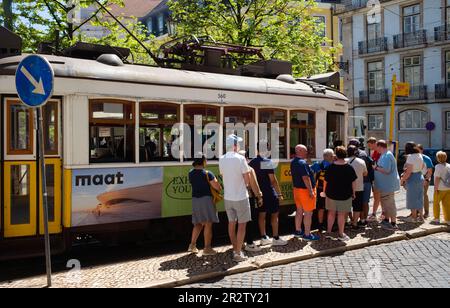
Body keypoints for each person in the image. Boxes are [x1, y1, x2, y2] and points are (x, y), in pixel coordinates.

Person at [219, 134, 252, 262]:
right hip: (241, 196)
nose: (239, 146)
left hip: (228, 197)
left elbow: (223, 174)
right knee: (242, 225)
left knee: (231, 224)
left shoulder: (222, 158)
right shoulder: (241, 159)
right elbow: (247, 180)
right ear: (234, 146)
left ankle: (235, 248)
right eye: (238, 144)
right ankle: (238, 253)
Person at [249, 143, 288, 247]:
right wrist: (279, 194)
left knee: (262, 215)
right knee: (274, 215)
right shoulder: (267, 162)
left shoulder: (251, 162)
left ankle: (263, 237)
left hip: (258, 193)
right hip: (269, 192)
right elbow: (273, 180)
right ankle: (275, 237)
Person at [188, 155, 221, 256]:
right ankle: (207, 248)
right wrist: (218, 185)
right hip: (206, 200)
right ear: (203, 161)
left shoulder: (190, 173)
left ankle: (192, 245)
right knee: (208, 223)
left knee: (198, 223)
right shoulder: (208, 173)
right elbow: (217, 187)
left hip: (195, 200)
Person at [323, 146, 357, 242]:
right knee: (341, 215)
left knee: (331, 213)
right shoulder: (349, 167)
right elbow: (353, 182)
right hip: (345, 194)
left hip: (331, 194)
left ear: (336, 155)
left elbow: (326, 181)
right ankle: (341, 234)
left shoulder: (330, 167)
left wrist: (325, 192)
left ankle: (328, 232)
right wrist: (354, 193)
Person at [291, 144, 319, 241]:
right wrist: (311, 191)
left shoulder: (294, 161)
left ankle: (298, 231)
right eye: (305, 151)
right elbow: (305, 178)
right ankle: (307, 234)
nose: (306, 152)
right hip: (305, 191)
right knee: (308, 213)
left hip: (297, 190)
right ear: (299, 151)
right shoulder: (302, 163)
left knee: (299, 211)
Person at [238, 150, 264, 253]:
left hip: (235, 198)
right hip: (247, 197)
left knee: (238, 222)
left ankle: (239, 244)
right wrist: (259, 196)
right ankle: (249, 243)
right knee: (249, 221)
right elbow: (254, 185)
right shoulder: (249, 169)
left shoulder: (233, 169)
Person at [374, 140, 400, 230]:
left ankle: (393, 223)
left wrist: (376, 168)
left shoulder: (387, 155)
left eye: (376, 147)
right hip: (385, 185)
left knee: (389, 204)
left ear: (380, 146)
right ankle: (386, 220)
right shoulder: (385, 155)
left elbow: (387, 170)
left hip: (387, 185)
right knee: (385, 203)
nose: (376, 149)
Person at [311, 149, 335, 231]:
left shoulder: (317, 164)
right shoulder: (333, 166)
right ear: (330, 156)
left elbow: (309, 172)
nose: (333, 157)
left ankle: (320, 225)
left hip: (320, 189)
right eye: (332, 156)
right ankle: (328, 224)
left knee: (320, 207)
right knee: (330, 208)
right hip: (330, 189)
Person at [401, 142, 425, 223]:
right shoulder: (420, 155)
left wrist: (403, 180)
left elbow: (409, 172)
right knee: (419, 197)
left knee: (412, 198)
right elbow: (422, 167)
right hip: (420, 176)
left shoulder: (410, 157)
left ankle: (413, 218)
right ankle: (421, 217)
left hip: (413, 178)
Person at [346, 145, 368, 229]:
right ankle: (354, 223)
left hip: (346, 188)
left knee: (346, 206)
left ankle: (346, 222)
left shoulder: (343, 161)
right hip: (359, 187)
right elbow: (365, 173)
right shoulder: (361, 162)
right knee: (357, 207)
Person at [432, 151, 450, 225]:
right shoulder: (449, 165)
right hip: (448, 188)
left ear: (438, 158)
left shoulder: (438, 167)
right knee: (447, 204)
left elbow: (437, 178)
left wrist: (435, 188)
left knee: (436, 203)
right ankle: (448, 219)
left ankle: (436, 218)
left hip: (440, 188)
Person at [367, 137, 381, 221]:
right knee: (377, 197)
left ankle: (375, 214)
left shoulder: (379, 153)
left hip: (378, 178)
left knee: (378, 197)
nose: (369, 147)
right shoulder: (374, 152)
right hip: (375, 177)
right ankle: (376, 213)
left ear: (374, 143)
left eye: (369, 145)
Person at [417, 144, 434, 218]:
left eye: (418, 150)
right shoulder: (414, 158)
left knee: (424, 195)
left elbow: (430, 171)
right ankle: (416, 212)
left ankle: (426, 212)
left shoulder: (426, 158)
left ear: (421, 150)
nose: (416, 151)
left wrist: (426, 179)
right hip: (416, 179)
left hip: (425, 178)